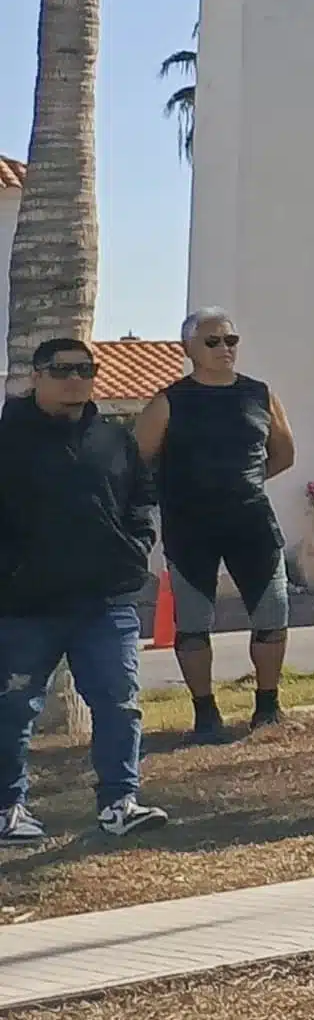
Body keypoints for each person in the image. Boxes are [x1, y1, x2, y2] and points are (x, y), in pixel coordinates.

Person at [0, 335, 167, 841]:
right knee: (13, 707)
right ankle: (9, 807)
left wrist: (135, 548)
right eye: (61, 370)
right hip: (26, 607)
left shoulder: (113, 439)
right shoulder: (7, 438)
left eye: (85, 369)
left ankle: (120, 803)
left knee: (119, 702)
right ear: (36, 377)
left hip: (105, 601)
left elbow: (140, 501)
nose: (75, 379)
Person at [136, 310, 293, 740]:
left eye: (231, 340)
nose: (224, 348)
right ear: (189, 349)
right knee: (193, 622)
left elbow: (283, 453)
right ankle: (205, 712)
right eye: (213, 341)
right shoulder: (169, 401)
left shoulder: (259, 395)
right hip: (190, 527)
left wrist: (244, 484)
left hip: (252, 521)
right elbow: (136, 462)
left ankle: (268, 705)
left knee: (273, 612)